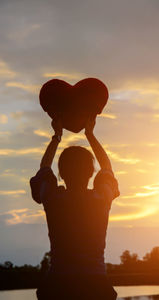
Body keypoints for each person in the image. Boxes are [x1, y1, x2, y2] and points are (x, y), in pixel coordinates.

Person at [30, 115, 120, 300]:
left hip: (58, 285)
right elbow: (107, 168)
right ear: (90, 173)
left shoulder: (53, 198)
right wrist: (90, 134)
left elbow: (44, 169)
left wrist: (57, 136)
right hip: (96, 286)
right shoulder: (101, 198)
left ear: (61, 173)